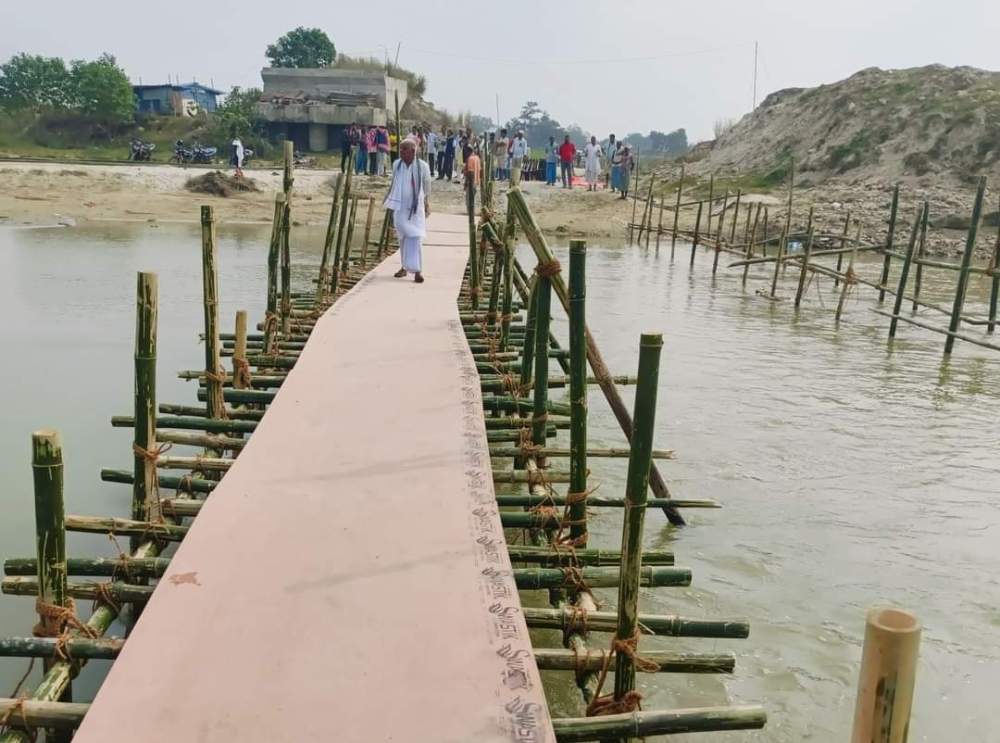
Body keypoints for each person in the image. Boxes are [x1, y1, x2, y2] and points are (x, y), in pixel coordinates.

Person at [384, 138, 431, 284]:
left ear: (413, 151)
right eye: (400, 149)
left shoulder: (422, 166)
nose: (401, 152)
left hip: (416, 209)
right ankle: (404, 267)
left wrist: (426, 202)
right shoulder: (397, 164)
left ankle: (417, 271)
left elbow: (427, 185)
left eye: (404, 149)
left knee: (416, 238)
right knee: (402, 238)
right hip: (400, 208)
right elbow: (394, 183)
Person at [464, 146, 481, 213]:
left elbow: (470, 172)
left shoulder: (470, 159)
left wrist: (466, 183)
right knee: (473, 198)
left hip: (471, 182)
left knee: (469, 198)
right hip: (476, 181)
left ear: (468, 151)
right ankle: (472, 211)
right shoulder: (477, 158)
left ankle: (470, 213)